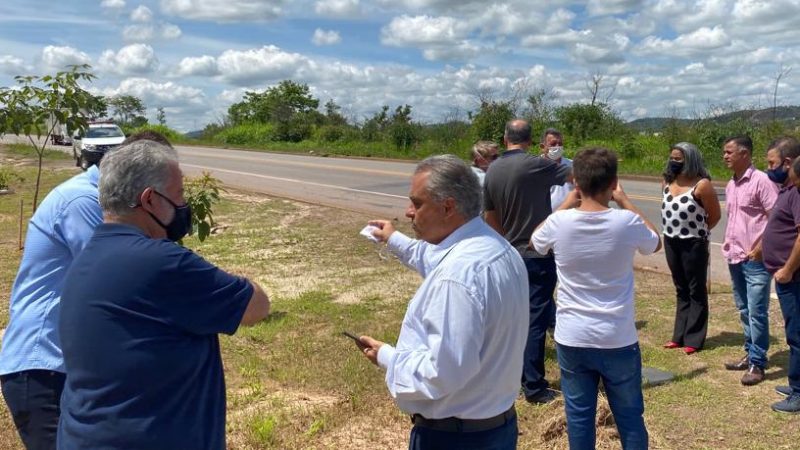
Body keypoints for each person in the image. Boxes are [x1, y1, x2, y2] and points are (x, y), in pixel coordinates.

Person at [57, 140, 270, 449]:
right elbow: (257, 307)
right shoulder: (162, 262)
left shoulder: (88, 258)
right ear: (150, 200)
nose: (185, 205)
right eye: (180, 195)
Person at [359, 155, 528, 450]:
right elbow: (432, 258)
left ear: (448, 207)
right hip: (496, 426)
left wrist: (387, 357)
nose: (409, 212)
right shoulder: (497, 249)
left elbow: (444, 372)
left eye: (417, 203)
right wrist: (393, 238)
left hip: (456, 437)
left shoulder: (457, 276)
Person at [532, 147, 661, 450]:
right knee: (629, 416)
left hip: (573, 336)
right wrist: (625, 201)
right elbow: (654, 243)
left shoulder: (559, 223)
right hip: (617, 336)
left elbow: (537, 241)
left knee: (578, 417)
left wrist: (567, 200)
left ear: (576, 182)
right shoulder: (626, 222)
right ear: (613, 182)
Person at [0, 153, 103, 450]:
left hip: (61, 367)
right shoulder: (83, 201)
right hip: (43, 368)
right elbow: (115, 276)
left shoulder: (91, 196)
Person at [484, 118, 570, 404]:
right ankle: (533, 386)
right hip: (536, 254)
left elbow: (491, 217)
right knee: (536, 319)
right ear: (532, 141)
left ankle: (511, 377)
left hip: (509, 252)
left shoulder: (493, 169)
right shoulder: (537, 165)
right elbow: (577, 177)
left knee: (515, 318)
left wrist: (504, 245)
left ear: (505, 137)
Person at [721, 135, 779, 385]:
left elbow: (776, 219)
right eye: (724, 152)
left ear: (744, 154)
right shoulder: (731, 184)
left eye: (729, 152)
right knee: (744, 309)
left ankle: (758, 362)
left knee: (757, 311)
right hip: (735, 256)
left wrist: (761, 248)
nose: (725, 156)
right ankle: (749, 352)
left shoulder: (762, 181)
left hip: (755, 259)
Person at [660, 142, 721, 354]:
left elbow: (714, 216)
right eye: (672, 158)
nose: (674, 162)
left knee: (696, 289)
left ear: (690, 160)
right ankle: (679, 335)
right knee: (680, 288)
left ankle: (694, 339)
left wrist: (698, 232)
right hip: (671, 240)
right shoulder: (667, 181)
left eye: (679, 159)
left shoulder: (702, 185)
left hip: (693, 243)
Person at [760, 137, 800, 412]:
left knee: (797, 335)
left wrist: (787, 269)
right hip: (786, 276)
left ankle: (798, 391)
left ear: (788, 163)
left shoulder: (797, 192)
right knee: (793, 332)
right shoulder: (787, 188)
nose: (768, 169)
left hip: (793, 277)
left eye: (772, 163)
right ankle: (796, 381)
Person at [539, 128, 574, 209]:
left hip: (568, 216)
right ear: (542, 147)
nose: (557, 146)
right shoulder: (535, 167)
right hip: (544, 218)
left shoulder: (572, 165)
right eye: (553, 144)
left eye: (560, 143)